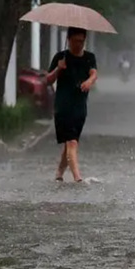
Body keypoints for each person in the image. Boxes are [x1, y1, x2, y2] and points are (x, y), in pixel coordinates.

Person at [46, 27, 98, 182]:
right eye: (75, 41)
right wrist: (58, 69)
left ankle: (59, 173)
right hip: (63, 106)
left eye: (81, 41)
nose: (79, 44)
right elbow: (48, 80)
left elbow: (94, 73)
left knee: (71, 142)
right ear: (68, 40)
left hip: (80, 107)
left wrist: (89, 81)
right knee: (72, 142)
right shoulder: (60, 57)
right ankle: (78, 178)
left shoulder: (89, 57)